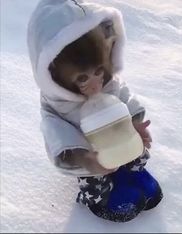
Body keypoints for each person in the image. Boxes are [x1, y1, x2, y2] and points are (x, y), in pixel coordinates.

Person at [27, 0, 163, 222]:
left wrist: (134, 122)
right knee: (95, 178)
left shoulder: (107, 82)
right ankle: (101, 198)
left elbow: (124, 95)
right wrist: (86, 160)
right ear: (53, 73)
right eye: (82, 78)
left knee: (135, 148)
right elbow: (58, 136)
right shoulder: (57, 105)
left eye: (99, 71)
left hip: (118, 136)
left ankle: (132, 172)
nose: (95, 85)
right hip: (91, 155)